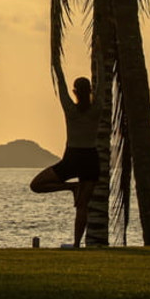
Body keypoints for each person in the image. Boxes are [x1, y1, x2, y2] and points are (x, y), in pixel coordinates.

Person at [29, 55, 102, 247]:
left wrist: (55, 58)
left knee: (36, 185)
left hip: (73, 157)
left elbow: (60, 83)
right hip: (90, 158)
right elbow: (103, 84)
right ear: (90, 91)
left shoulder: (71, 110)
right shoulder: (96, 110)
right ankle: (77, 243)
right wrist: (100, 58)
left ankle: (70, 187)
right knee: (82, 206)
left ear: (74, 91)